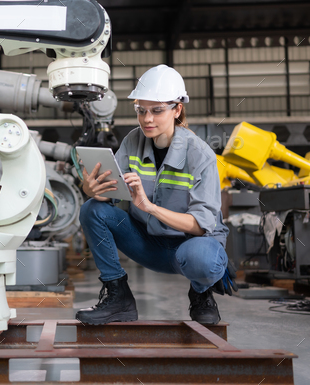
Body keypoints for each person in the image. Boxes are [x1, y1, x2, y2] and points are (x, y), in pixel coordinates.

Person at [76, 64, 234, 325]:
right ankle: (119, 297)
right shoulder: (131, 142)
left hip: (189, 247)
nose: (147, 119)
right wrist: (91, 189)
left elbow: (199, 225)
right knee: (92, 209)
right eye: (141, 110)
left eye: (157, 110)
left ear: (177, 109)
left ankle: (201, 291)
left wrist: (149, 207)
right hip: (147, 244)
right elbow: (110, 194)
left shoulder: (200, 154)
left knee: (203, 259)